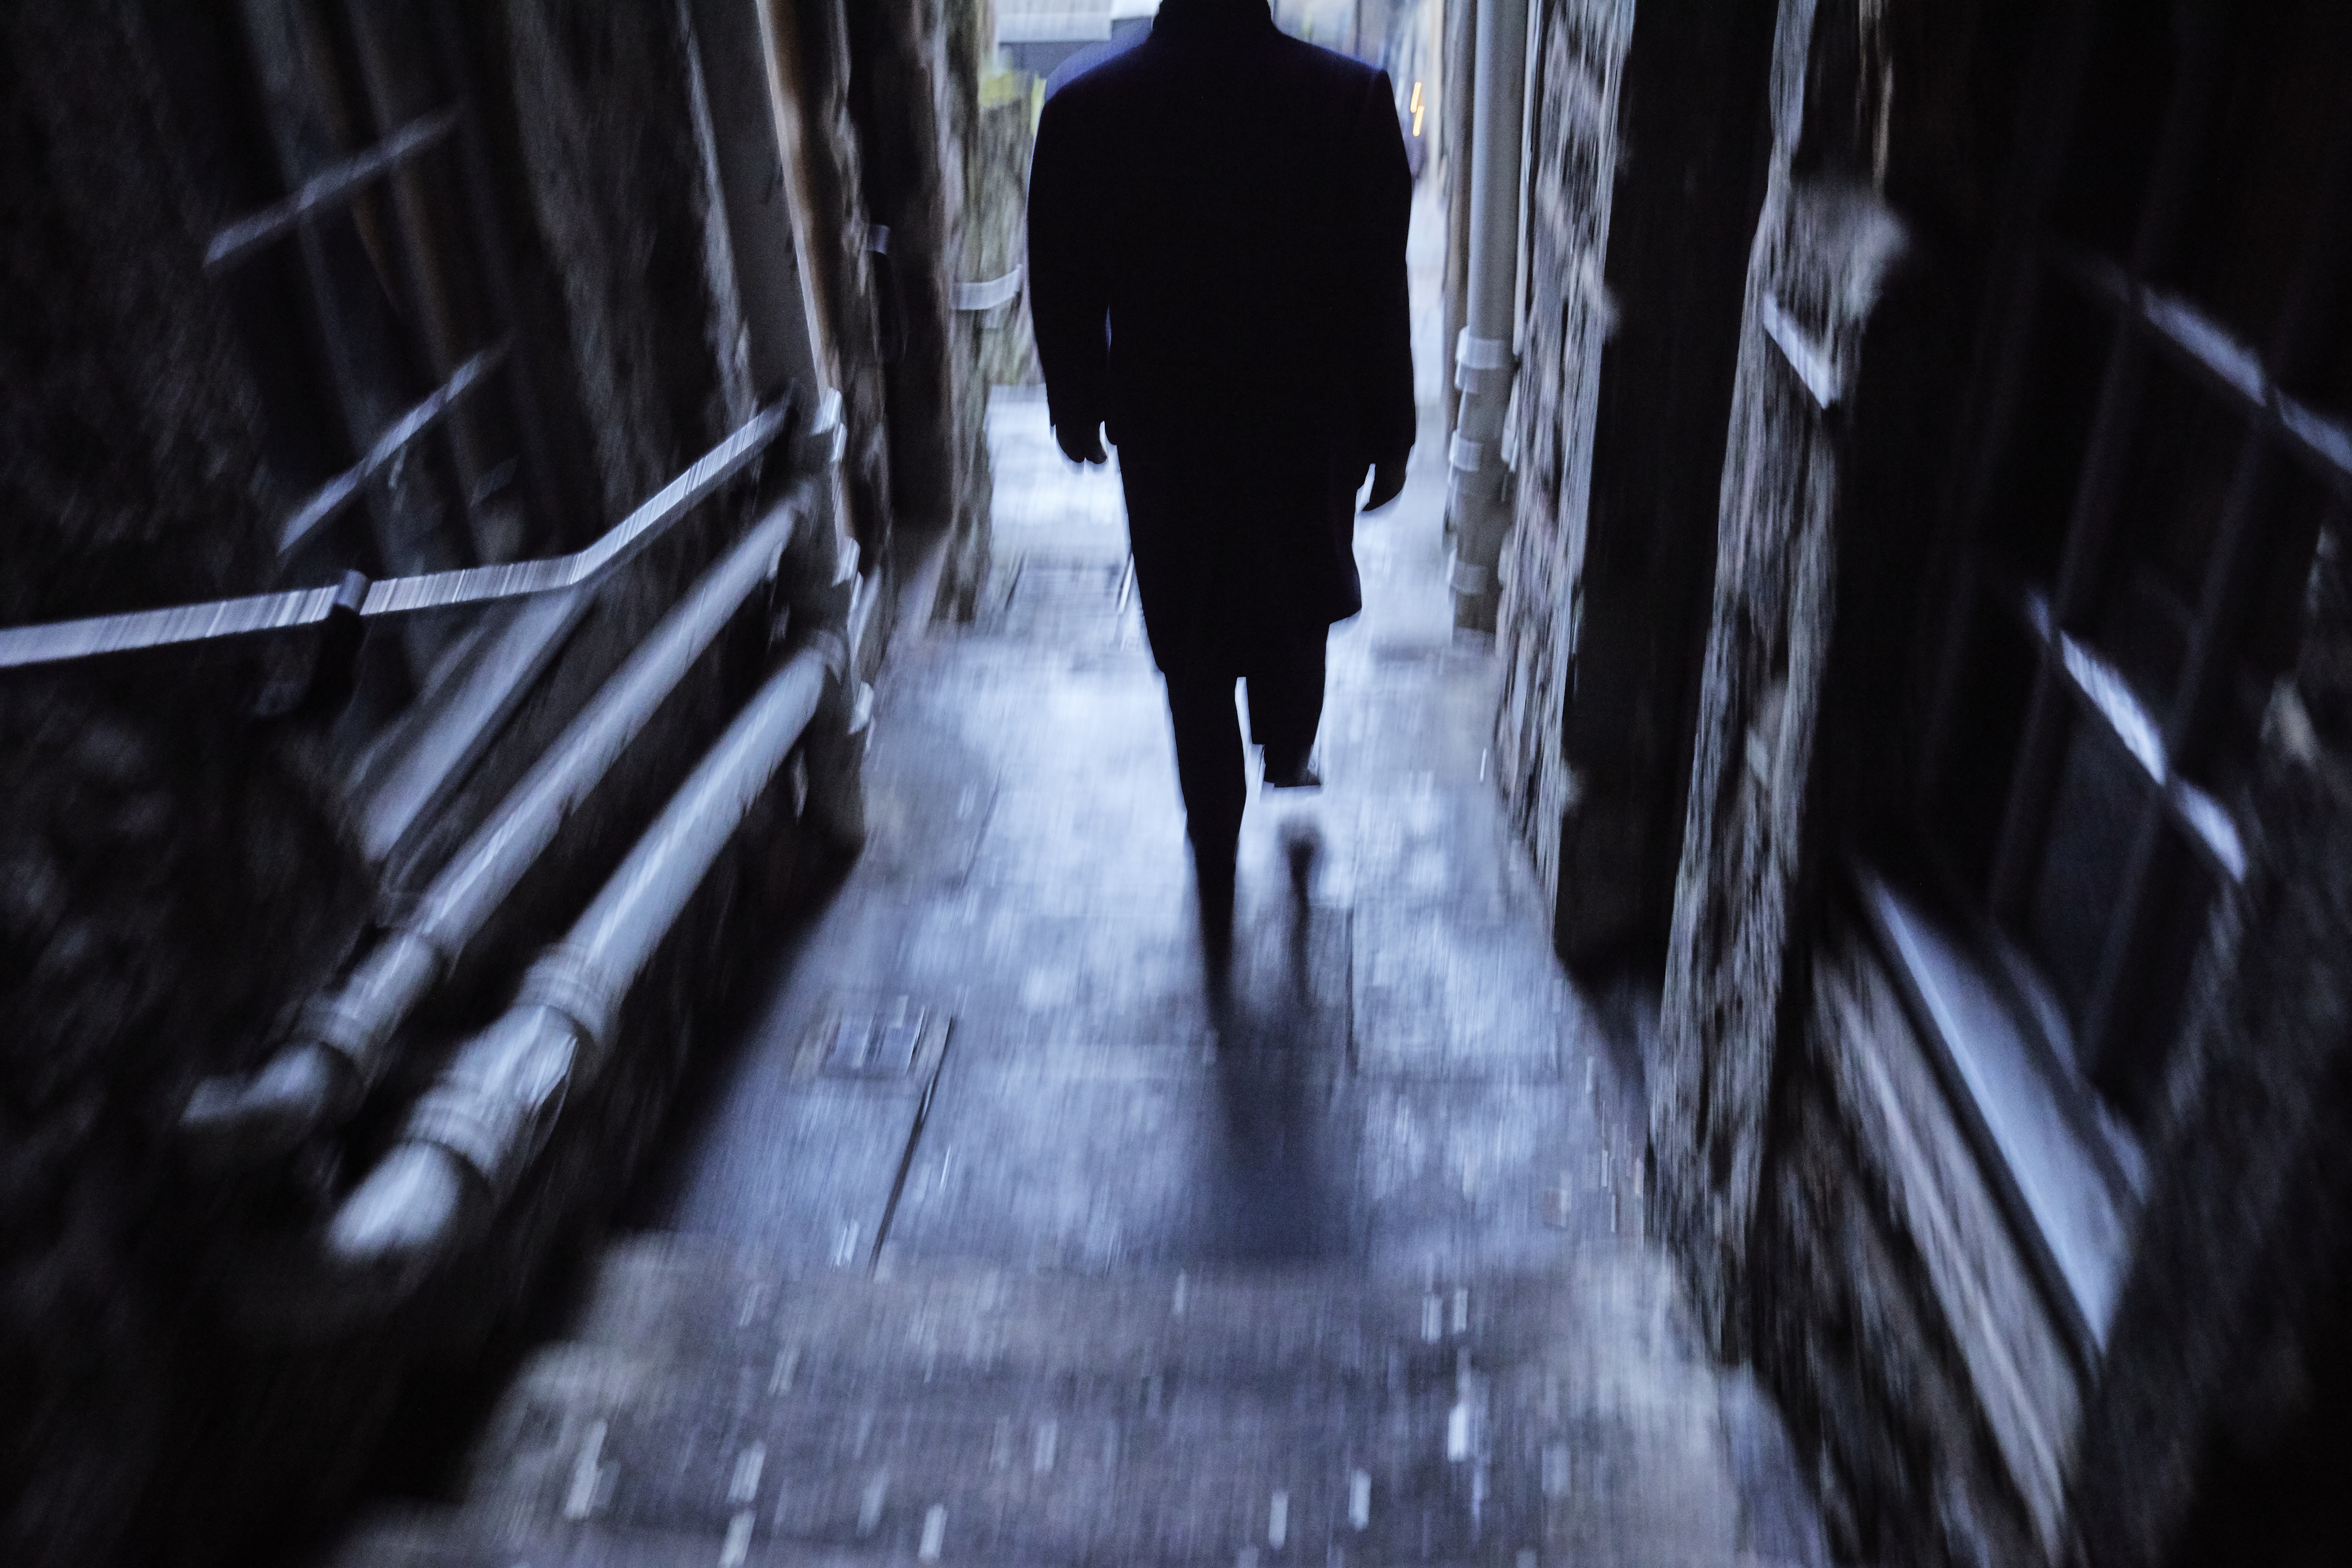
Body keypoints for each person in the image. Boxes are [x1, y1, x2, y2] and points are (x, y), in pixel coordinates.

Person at [1026, 0, 1415, 951]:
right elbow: (1378, 288)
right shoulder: (1350, 101)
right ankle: (1287, 741)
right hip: (1305, 417)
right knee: (1297, 588)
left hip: (1171, 422)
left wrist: (1076, 404)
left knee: (1189, 624)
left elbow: (1063, 277)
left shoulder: (1086, 108)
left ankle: (1214, 823)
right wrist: (1390, 428)